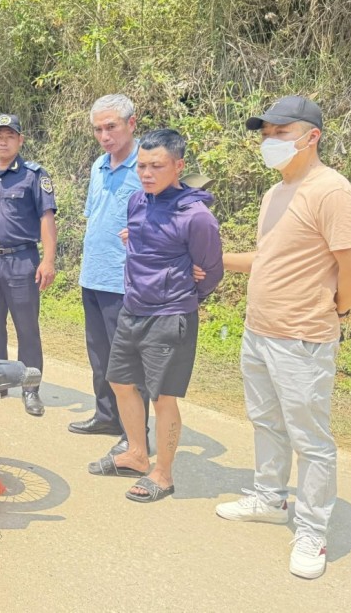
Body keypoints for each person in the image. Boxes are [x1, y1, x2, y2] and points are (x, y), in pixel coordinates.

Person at [214, 96, 351, 579]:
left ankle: (312, 530)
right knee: (265, 421)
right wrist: (210, 257)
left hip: (301, 337)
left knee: (312, 439)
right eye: (266, 133)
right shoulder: (276, 192)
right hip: (258, 330)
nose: (270, 141)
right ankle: (269, 497)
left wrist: (335, 307)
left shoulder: (331, 191)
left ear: (312, 136)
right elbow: (267, 258)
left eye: (281, 132)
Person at [88, 129, 223, 505]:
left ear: (178, 165)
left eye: (157, 166)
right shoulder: (137, 201)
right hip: (133, 308)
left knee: (163, 398)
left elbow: (211, 270)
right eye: (143, 165)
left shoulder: (197, 217)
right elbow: (145, 242)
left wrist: (183, 293)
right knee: (119, 381)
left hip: (169, 316)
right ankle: (135, 453)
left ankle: (162, 473)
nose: (147, 173)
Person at [67, 94, 151, 457]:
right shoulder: (99, 165)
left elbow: (168, 216)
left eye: (111, 127)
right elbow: (94, 217)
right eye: (98, 129)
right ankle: (106, 414)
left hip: (127, 280)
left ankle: (136, 433)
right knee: (99, 354)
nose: (105, 136)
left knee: (128, 359)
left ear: (132, 124)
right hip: (94, 275)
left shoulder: (148, 166)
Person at [0, 114, 58, 416]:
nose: (4, 141)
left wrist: (48, 260)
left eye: (10, 135)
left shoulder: (34, 176)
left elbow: (46, 218)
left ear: (20, 140)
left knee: (26, 328)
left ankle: (30, 388)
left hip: (22, 260)